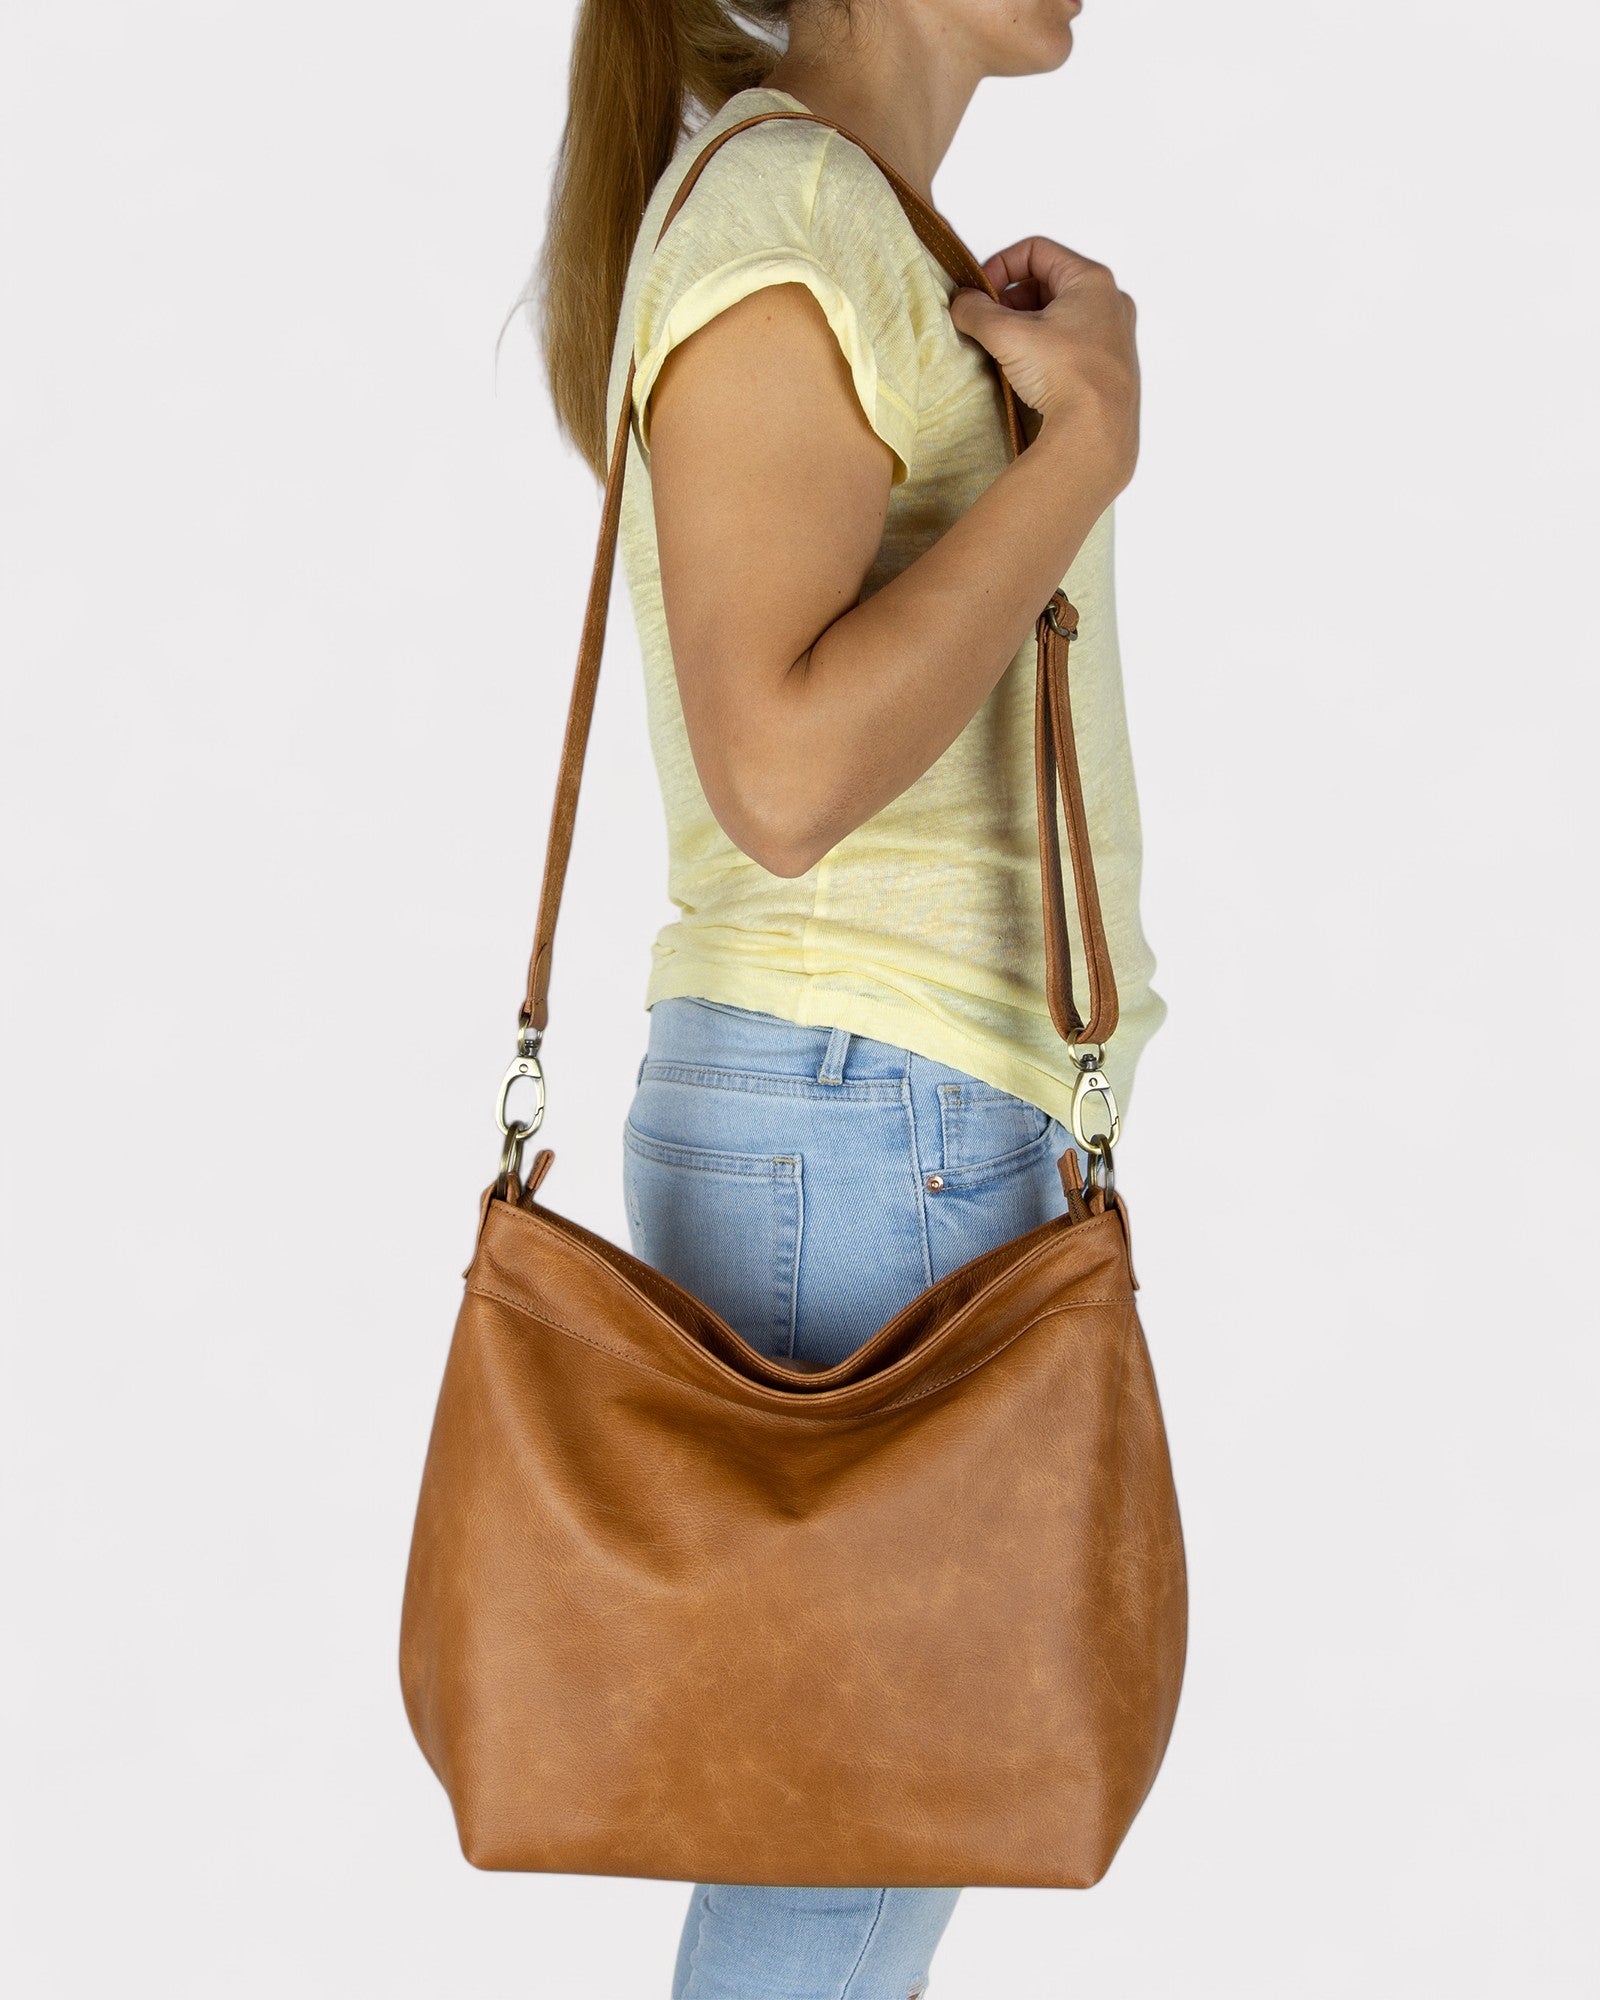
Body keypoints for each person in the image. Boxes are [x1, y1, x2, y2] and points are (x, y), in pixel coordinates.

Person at [532, 2, 1165, 1994]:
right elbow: (783, 778)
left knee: (850, 1862)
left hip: (879, 1121)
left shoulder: (858, 222)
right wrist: (1083, 455)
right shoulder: (782, 208)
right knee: (841, 1868)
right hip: (862, 1124)